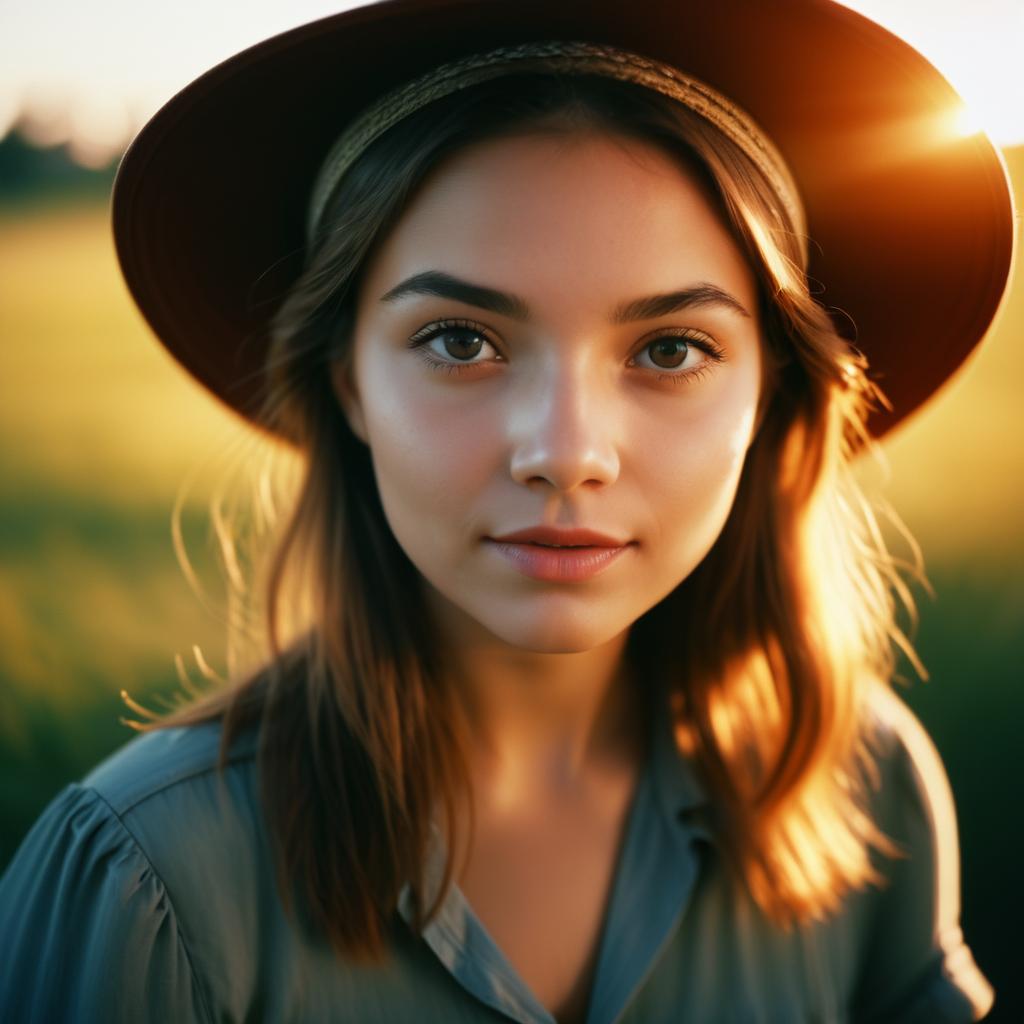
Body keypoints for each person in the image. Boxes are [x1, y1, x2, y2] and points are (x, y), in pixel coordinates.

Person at [0, 2, 1013, 1022]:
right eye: (458, 340)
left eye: (669, 350)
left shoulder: (866, 787)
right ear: (345, 380)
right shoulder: (150, 879)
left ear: (772, 393)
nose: (565, 452)